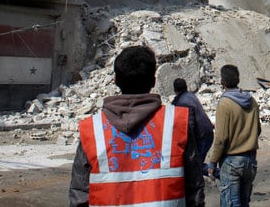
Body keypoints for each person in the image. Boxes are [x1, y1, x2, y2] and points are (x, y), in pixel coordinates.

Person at [69, 45, 205, 206]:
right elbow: (194, 189)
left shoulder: (92, 128)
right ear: (154, 81)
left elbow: (79, 195)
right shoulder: (176, 122)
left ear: (116, 80)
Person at [207, 64, 261, 207]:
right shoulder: (252, 101)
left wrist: (212, 162)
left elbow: (221, 138)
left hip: (232, 162)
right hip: (250, 160)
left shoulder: (225, 104)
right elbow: (258, 130)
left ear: (222, 82)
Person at [173, 78, 215, 166]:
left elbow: (189, 125)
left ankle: (216, 173)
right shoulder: (190, 96)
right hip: (207, 133)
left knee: (195, 166)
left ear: (175, 90)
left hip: (202, 137)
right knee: (196, 165)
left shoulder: (182, 102)